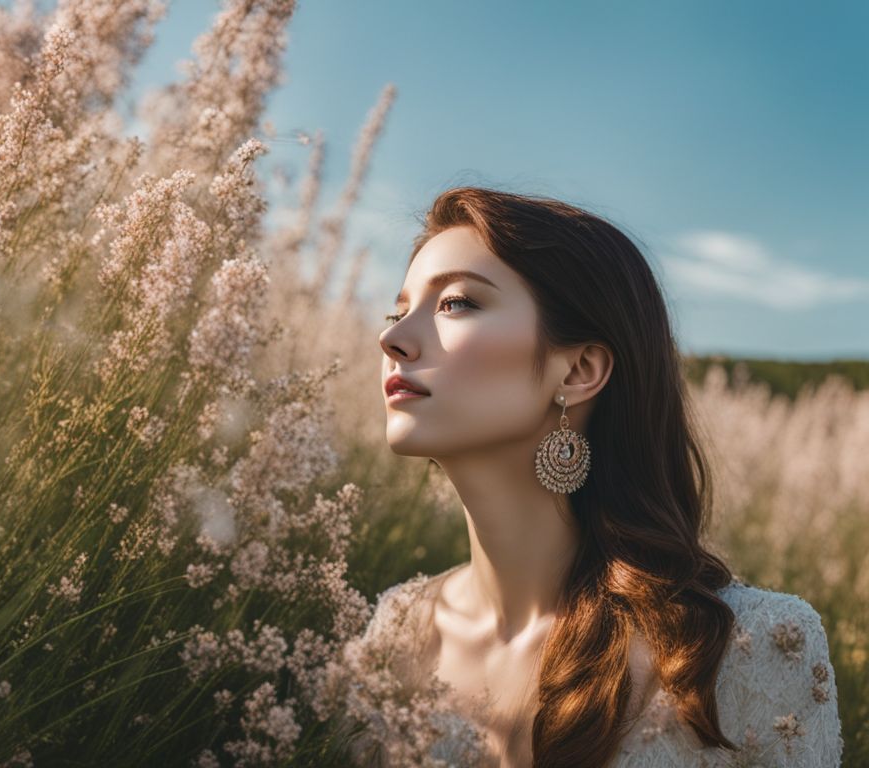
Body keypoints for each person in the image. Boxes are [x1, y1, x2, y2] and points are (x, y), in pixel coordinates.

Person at [330, 187, 843, 767]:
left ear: (579, 370)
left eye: (456, 303)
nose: (392, 338)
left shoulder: (750, 648)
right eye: (397, 312)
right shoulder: (396, 631)